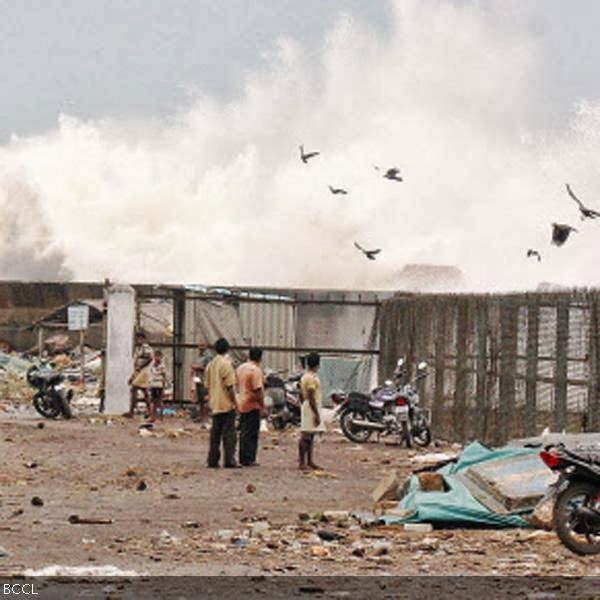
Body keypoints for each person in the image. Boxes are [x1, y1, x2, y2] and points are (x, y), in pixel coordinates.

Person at [204, 338, 239, 468]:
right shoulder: (226, 364)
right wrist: (235, 402)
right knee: (229, 435)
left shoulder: (211, 364)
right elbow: (230, 386)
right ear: (227, 349)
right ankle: (229, 460)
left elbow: (207, 385)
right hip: (226, 404)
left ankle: (213, 460)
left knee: (215, 434)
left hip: (215, 403)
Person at [236, 347, 265, 467]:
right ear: (260, 357)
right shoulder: (256, 370)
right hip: (252, 404)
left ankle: (243, 456)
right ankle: (249, 458)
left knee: (244, 431)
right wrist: (262, 405)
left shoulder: (241, 368)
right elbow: (257, 389)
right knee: (252, 432)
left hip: (241, 402)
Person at [298, 352, 326, 471]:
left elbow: (301, 394)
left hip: (308, 405)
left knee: (311, 435)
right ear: (317, 364)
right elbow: (311, 395)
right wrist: (315, 414)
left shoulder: (306, 376)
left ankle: (309, 460)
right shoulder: (311, 378)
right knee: (305, 436)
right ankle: (302, 462)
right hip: (311, 406)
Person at [126, 331, 153, 417]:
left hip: (143, 371)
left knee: (134, 388)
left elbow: (150, 358)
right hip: (140, 371)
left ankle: (132, 411)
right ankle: (149, 411)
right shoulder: (139, 348)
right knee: (144, 392)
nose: (138, 340)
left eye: (139, 338)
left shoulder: (145, 348)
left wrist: (141, 366)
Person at [190, 340, 213, 426]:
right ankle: (201, 416)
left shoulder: (208, 356)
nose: (200, 347)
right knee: (200, 399)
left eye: (202, 345)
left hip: (205, 380)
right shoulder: (199, 356)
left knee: (205, 398)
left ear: (206, 346)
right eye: (200, 345)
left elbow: (208, 368)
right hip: (198, 379)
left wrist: (197, 367)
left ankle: (205, 417)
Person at [148, 350, 168, 422]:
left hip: (159, 385)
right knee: (152, 401)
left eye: (158, 356)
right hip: (153, 384)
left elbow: (164, 375)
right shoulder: (151, 365)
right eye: (155, 356)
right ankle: (152, 416)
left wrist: (164, 386)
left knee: (159, 401)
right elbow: (150, 375)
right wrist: (149, 384)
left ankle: (160, 417)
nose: (157, 358)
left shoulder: (162, 366)